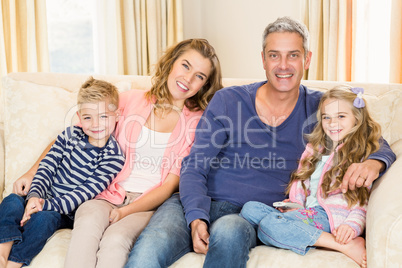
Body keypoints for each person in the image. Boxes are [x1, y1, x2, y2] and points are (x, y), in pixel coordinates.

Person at [125, 17, 396, 268]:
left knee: (229, 233)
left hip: (250, 213)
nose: (283, 65)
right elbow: (194, 165)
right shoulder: (229, 100)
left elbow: (369, 136)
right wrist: (196, 217)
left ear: (307, 59)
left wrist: (375, 161)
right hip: (196, 201)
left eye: (293, 55)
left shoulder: (321, 109)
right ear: (263, 60)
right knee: (147, 251)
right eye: (274, 55)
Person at [13, 39, 223, 268]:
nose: (189, 79)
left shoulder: (197, 123)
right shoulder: (131, 100)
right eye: (185, 65)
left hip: (147, 204)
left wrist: (126, 212)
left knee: (115, 240)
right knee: (86, 225)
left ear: (204, 85)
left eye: (200, 76)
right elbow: (71, 137)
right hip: (107, 193)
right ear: (171, 63)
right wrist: (32, 172)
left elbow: (169, 186)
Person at [240, 86, 378, 268]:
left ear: (357, 119)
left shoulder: (359, 155)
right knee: (249, 209)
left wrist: (352, 226)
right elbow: (301, 182)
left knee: (268, 227)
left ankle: (341, 245)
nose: (332, 122)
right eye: (326, 117)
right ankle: (291, 229)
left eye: (341, 116)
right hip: (306, 212)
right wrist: (294, 205)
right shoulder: (315, 149)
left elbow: (363, 202)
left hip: (331, 218)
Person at [0, 77, 125, 268]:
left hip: (65, 210)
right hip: (41, 196)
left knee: (43, 220)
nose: (96, 124)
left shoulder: (114, 156)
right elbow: (47, 167)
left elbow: (84, 193)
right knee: (11, 201)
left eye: (104, 117)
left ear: (117, 115)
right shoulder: (69, 135)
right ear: (79, 116)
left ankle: (15, 262)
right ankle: (3, 251)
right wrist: (34, 196)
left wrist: (44, 206)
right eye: (88, 117)